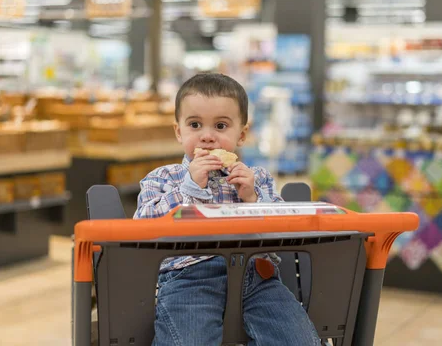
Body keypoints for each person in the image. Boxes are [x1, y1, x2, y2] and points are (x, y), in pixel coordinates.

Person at [134, 73, 320, 346]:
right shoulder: (163, 178)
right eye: (195, 124)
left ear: (241, 134)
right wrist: (188, 189)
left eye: (221, 126)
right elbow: (143, 226)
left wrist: (253, 199)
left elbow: (283, 229)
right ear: (178, 132)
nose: (207, 137)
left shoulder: (257, 178)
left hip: (257, 278)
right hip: (189, 279)